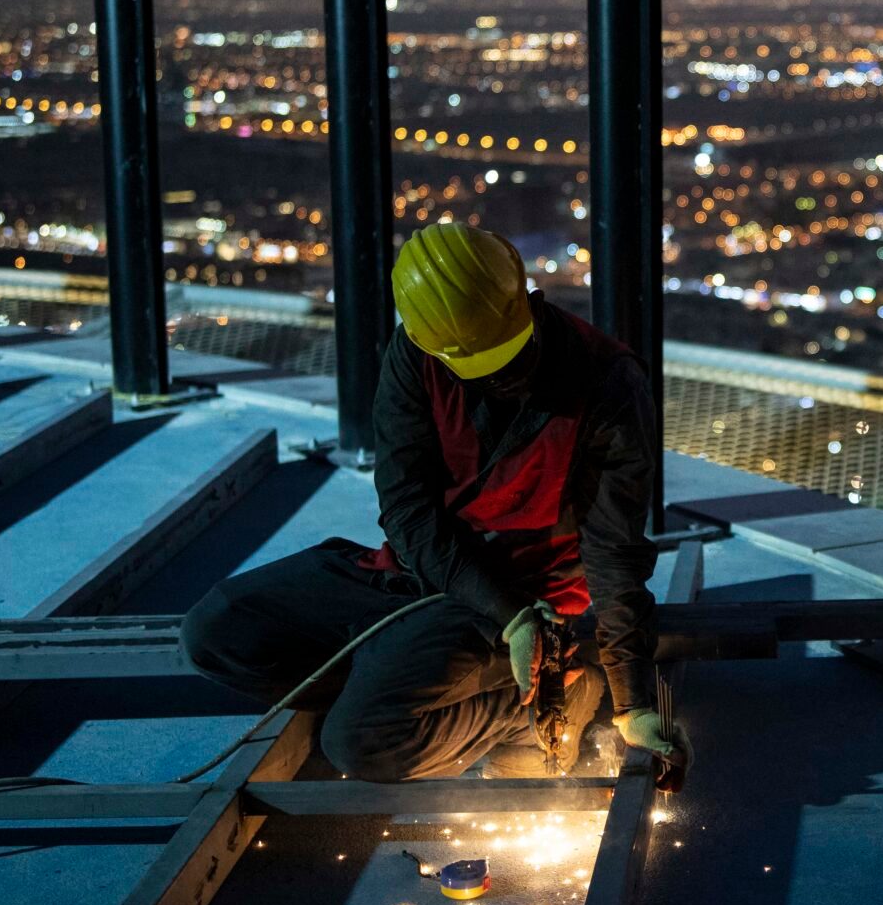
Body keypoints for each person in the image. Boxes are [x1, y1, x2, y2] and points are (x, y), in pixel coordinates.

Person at [181, 223, 682, 781]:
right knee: (216, 630)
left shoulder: (607, 382)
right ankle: (403, 676)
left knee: (361, 742)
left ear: (526, 302)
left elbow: (612, 552)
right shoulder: (415, 354)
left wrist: (631, 703)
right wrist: (497, 616)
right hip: (422, 576)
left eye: (506, 358)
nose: (499, 378)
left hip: (526, 602)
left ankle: (556, 688)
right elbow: (406, 508)